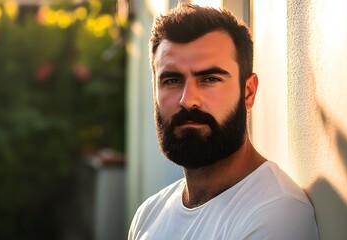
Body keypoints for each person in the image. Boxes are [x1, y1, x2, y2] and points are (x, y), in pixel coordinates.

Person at [128, 3, 319, 240]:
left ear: (248, 92)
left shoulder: (275, 214)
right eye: (172, 80)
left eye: (209, 79)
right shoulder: (148, 216)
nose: (188, 101)